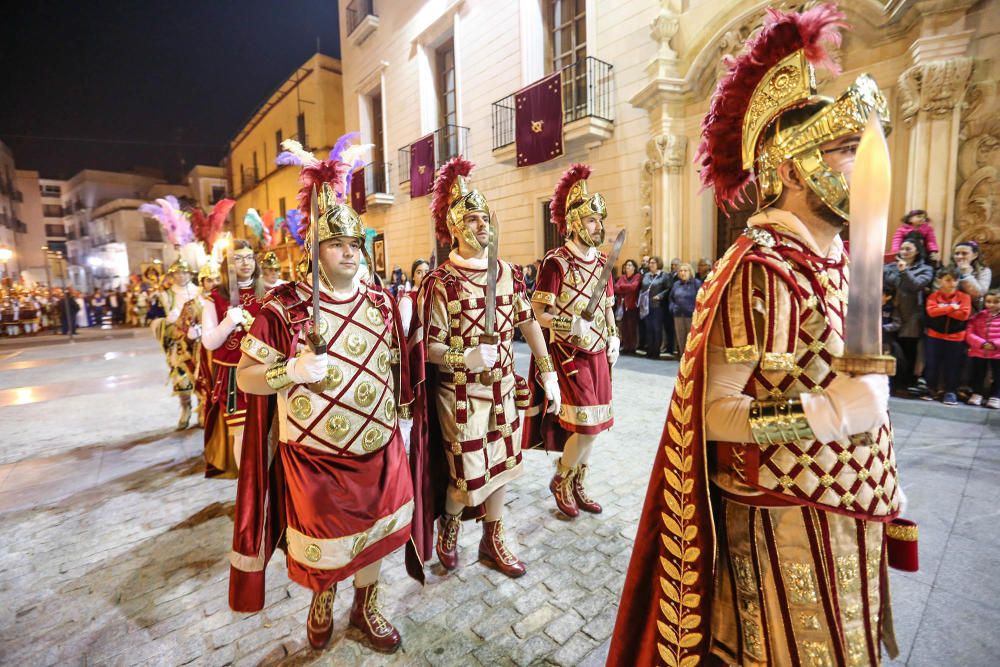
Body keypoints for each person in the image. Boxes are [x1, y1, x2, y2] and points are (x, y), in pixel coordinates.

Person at [609, 6, 907, 665]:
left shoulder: (834, 259)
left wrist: (871, 456)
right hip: (783, 518)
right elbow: (716, 413)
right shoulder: (760, 270)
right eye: (844, 151)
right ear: (795, 168)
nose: (860, 166)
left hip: (844, 505)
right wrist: (824, 412)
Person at [231, 154, 414, 653]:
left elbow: (397, 365)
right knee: (326, 549)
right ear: (314, 249)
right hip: (316, 455)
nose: (350, 253)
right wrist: (287, 371)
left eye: (356, 244)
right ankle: (325, 596)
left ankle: (367, 602)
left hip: (379, 445)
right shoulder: (283, 307)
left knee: (380, 533)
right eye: (337, 244)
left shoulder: (380, 301)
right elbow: (247, 379)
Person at [407, 156, 560, 580]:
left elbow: (527, 320)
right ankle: (451, 523)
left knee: (506, 466)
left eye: (483, 219)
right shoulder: (439, 283)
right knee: (467, 479)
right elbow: (429, 348)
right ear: (454, 228)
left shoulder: (507, 273)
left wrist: (546, 369)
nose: (481, 227)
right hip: (459, 397)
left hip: (504, 391)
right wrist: (466, 358)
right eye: (471, 220)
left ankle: (494, 537)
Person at [524, 163, 618, 518]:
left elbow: (608, 307)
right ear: (576, 222)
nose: (599, 227)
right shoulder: (556, 263)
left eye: (599, 221)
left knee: (596, 426)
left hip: (598, 353)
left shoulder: (602, 262)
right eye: (593, 221)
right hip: (568, 353)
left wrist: (614, 337)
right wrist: (568, 322)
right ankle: (561, 478)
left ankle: (579, 480)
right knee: (587, 427)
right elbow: (538, 313)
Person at [200, 240, 263, 478]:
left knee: (270, 429)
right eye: (238, 258)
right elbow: (209, 342)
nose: (245, 263)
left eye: (249, 257)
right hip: (232, 374)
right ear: (228, 264)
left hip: (264, 370)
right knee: (242, 433)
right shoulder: (214, 298)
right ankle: (248, 486)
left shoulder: (269, 294)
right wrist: (228, 322)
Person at [152, 259, 201, 429]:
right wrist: (167, 323)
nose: (181, 276)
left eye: (184, 272)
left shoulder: (200, 291)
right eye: (178, 273)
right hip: (179, 345)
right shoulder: (165, 296)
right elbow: (154, 320)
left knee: (203, 377)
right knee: (182, 379)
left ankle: (202, 410)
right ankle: (185, 409)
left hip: (200, 343)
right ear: (172, 275)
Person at [883, 236, 933, 393]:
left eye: (908, 249)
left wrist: (904, 271)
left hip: (911, 315)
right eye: (902, 248)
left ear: (917, 251)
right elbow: (887, 283)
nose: (904, 252)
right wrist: (899, 272)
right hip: (890, 312)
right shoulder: (890, 266)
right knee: (889, 349)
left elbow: (916, 285)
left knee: (907, 351)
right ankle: (889, 382)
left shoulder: (926, 269)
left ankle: (904, 384)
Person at [924, 266, 972, 405]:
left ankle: (950, 392)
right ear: (940, 281)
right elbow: (932, 312)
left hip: (956, 337)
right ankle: (930, 389)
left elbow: (963, 315)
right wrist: (952, 307)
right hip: (935, 335)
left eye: (955, 280)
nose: (953, 283)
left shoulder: (964, 297)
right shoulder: (933, 296)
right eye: (948, 280)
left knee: (953, 366)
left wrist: (942, 309)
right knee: (932, 364)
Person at [966, 288, 1000, 407]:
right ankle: (977, 394)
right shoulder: (978, 316)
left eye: (996, 302)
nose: (991, 304)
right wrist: (981, 343)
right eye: (989, 301)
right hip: (979, 351)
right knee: (978, 374)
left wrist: (994, 344)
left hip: (997, 353)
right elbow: (969, 332)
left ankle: (996, 396)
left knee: (998, 375)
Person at [640, 256, 670, 359]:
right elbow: (642, 288)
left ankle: (656, 352)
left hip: (658, 306)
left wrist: (660, 296)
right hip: (646, 305)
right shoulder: (646, 275)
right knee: (648, 328)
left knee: (656, 329)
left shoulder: (664, 276)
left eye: (653, 263)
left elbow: (668, 289)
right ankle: (649, 350)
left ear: (658, 264)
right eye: (650, 263)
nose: (651, 265)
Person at [668, 262, 701, 354]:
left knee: (691, 339)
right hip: (678, 315)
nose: (683, 273)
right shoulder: (676, 284)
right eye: (681, 271)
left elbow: (701, 299)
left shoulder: (696, 283)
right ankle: (683, 358)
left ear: (690, 272)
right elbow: (671, 298)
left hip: (691, 316)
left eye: (685, 271)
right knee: (680, 338)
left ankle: (691, 359)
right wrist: (673, 308)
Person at [951, 239, 992, 311]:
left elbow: (979, 293)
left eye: (964, 253)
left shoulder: (984, 271)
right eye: (957, 253)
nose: (959, 256)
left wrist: (966, 274)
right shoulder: (948, 269)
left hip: (972, 310)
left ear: (975, 255)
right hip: (950, 308)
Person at [614, 259, 642, 354]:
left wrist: (623, 287)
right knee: (624, 327)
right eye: (626, 265)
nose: (627, 267)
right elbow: (616, 288)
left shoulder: (637, 276)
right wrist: (626, 287)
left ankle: (632, 347)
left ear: (634, 267)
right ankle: (626, 346)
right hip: (622, 306)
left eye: (630, 265)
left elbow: (634, 287)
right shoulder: (622, 277)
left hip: (632, 306)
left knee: (632, 328)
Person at [396, 258, 429, 336]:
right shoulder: (407, 300)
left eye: (427, 272)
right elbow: (404, 330)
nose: (424, 275)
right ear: (413, 277)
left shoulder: (433, 295)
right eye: (419, 272)